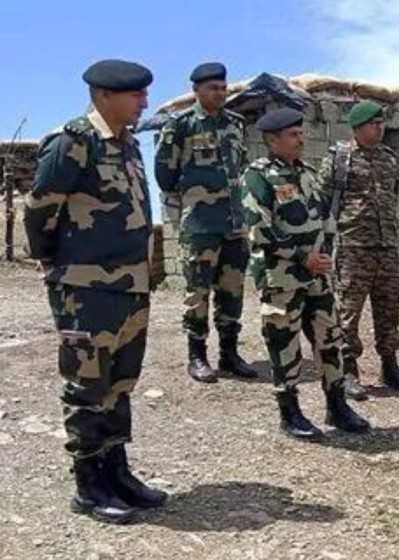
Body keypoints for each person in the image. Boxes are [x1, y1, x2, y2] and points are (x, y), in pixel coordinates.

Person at [24, 59, 167, 523]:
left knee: (120, 382)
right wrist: (57, 263)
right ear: (104, 95)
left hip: (129, 286)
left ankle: (117, 471)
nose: (144, 101)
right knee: (88, 384)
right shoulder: (72, 142)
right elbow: (41, 209)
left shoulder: (128, 145)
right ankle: (88, 485)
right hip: (84, 287)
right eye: (136, 95)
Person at [241, 107, 370, 440]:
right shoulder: (258, 176)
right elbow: (259, 231)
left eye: (301, 133)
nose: (301, 139)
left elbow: (325, 216)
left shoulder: (308, 172)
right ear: (273, 140)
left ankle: (337, 405)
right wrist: (302, 256)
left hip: (317, 276)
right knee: (284, 344)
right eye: (293, 135)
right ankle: (290, 412)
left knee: (330, 338)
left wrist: (324, 253)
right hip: (281, 278)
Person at [155, 62, 255, 383]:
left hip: (234, 224)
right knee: (198, 291)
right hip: (199, 224)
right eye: (213, 88)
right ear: (196, 90)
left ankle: (229, 354)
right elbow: (164, 175)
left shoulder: (235, 125)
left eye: (224, 88)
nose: (220, 93)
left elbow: (241, 168)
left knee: (232, 290)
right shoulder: (182, 125)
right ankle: (197, 356)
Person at [319, 100, 399, 401]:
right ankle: (348, 370)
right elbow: (323, 201)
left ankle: (390, 366)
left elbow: (393, 198)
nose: (380, 127)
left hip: (386, 246)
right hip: (353, 248)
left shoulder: (389, 158)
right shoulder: (339, 159)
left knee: (389, 311)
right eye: (374, 123)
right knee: (348, 312)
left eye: (381, 123)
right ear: (358, 127)